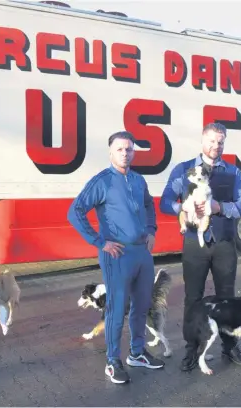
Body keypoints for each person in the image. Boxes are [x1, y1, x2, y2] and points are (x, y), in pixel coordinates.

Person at [67, 131, 164, 384]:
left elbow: (148, 205)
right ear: (111, 152)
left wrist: (151, 230)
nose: (125, 153)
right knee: (116, 309)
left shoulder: (138, 180)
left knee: (142, 306)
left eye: (129, 149)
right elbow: (75, 211)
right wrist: (99, 242)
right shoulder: (102, 181)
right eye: (120, 149)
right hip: (117, 255)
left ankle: (137, 352)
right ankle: (112, 360)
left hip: (142, 253)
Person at [159, 122, 241, 372]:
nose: (216, 146)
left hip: (224, 244)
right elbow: (165, 201)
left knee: (227, 298)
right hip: (194, 244)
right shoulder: (183, 170)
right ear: (203, 140)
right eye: (212, 140)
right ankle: (192, 349)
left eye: (221, 141)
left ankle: (230, 346)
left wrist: (220, 208)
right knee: (193, 298)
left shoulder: (234, 172)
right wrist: (183, 208)